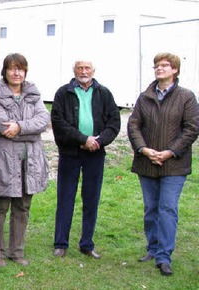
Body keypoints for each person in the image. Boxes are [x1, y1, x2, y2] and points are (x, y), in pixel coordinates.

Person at [127, 52, 199, 276]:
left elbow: (192, 128)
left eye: (165, 65)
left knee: (167, 209)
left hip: (174, 165)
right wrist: (144, 149)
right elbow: (134, 125)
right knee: (151, 209)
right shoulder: (145, 96)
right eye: (157, 65)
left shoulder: (186, 97)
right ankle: (153, 247)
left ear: (175, 70)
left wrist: (170, 152)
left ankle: (164, 256)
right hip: (147, 162)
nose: (160, 68)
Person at [50, 60, 120, 259]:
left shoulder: (104, 93)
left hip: (95, 154)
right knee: (65, 197)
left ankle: (87, 244)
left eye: (87, 68)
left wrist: (98, 141)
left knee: (91, 198)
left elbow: (114, 122)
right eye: (80, 68)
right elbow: (58, 122)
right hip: (70, 153)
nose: (83, 71)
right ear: (74, 71)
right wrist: (82, 139)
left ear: (93, 71)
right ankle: (61, 243)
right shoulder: (63, 93)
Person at [0, 53, 49, 267]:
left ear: (25, 72)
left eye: (20, 69)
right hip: (4, 160)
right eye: (12, 68)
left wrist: (20, 127)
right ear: (5, 71)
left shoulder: (33, 95)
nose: (16, 73)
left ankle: (17, 251)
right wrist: (29, 129)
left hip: (29, 161)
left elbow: (43, 121)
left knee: (22, 207)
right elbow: (1, 125)